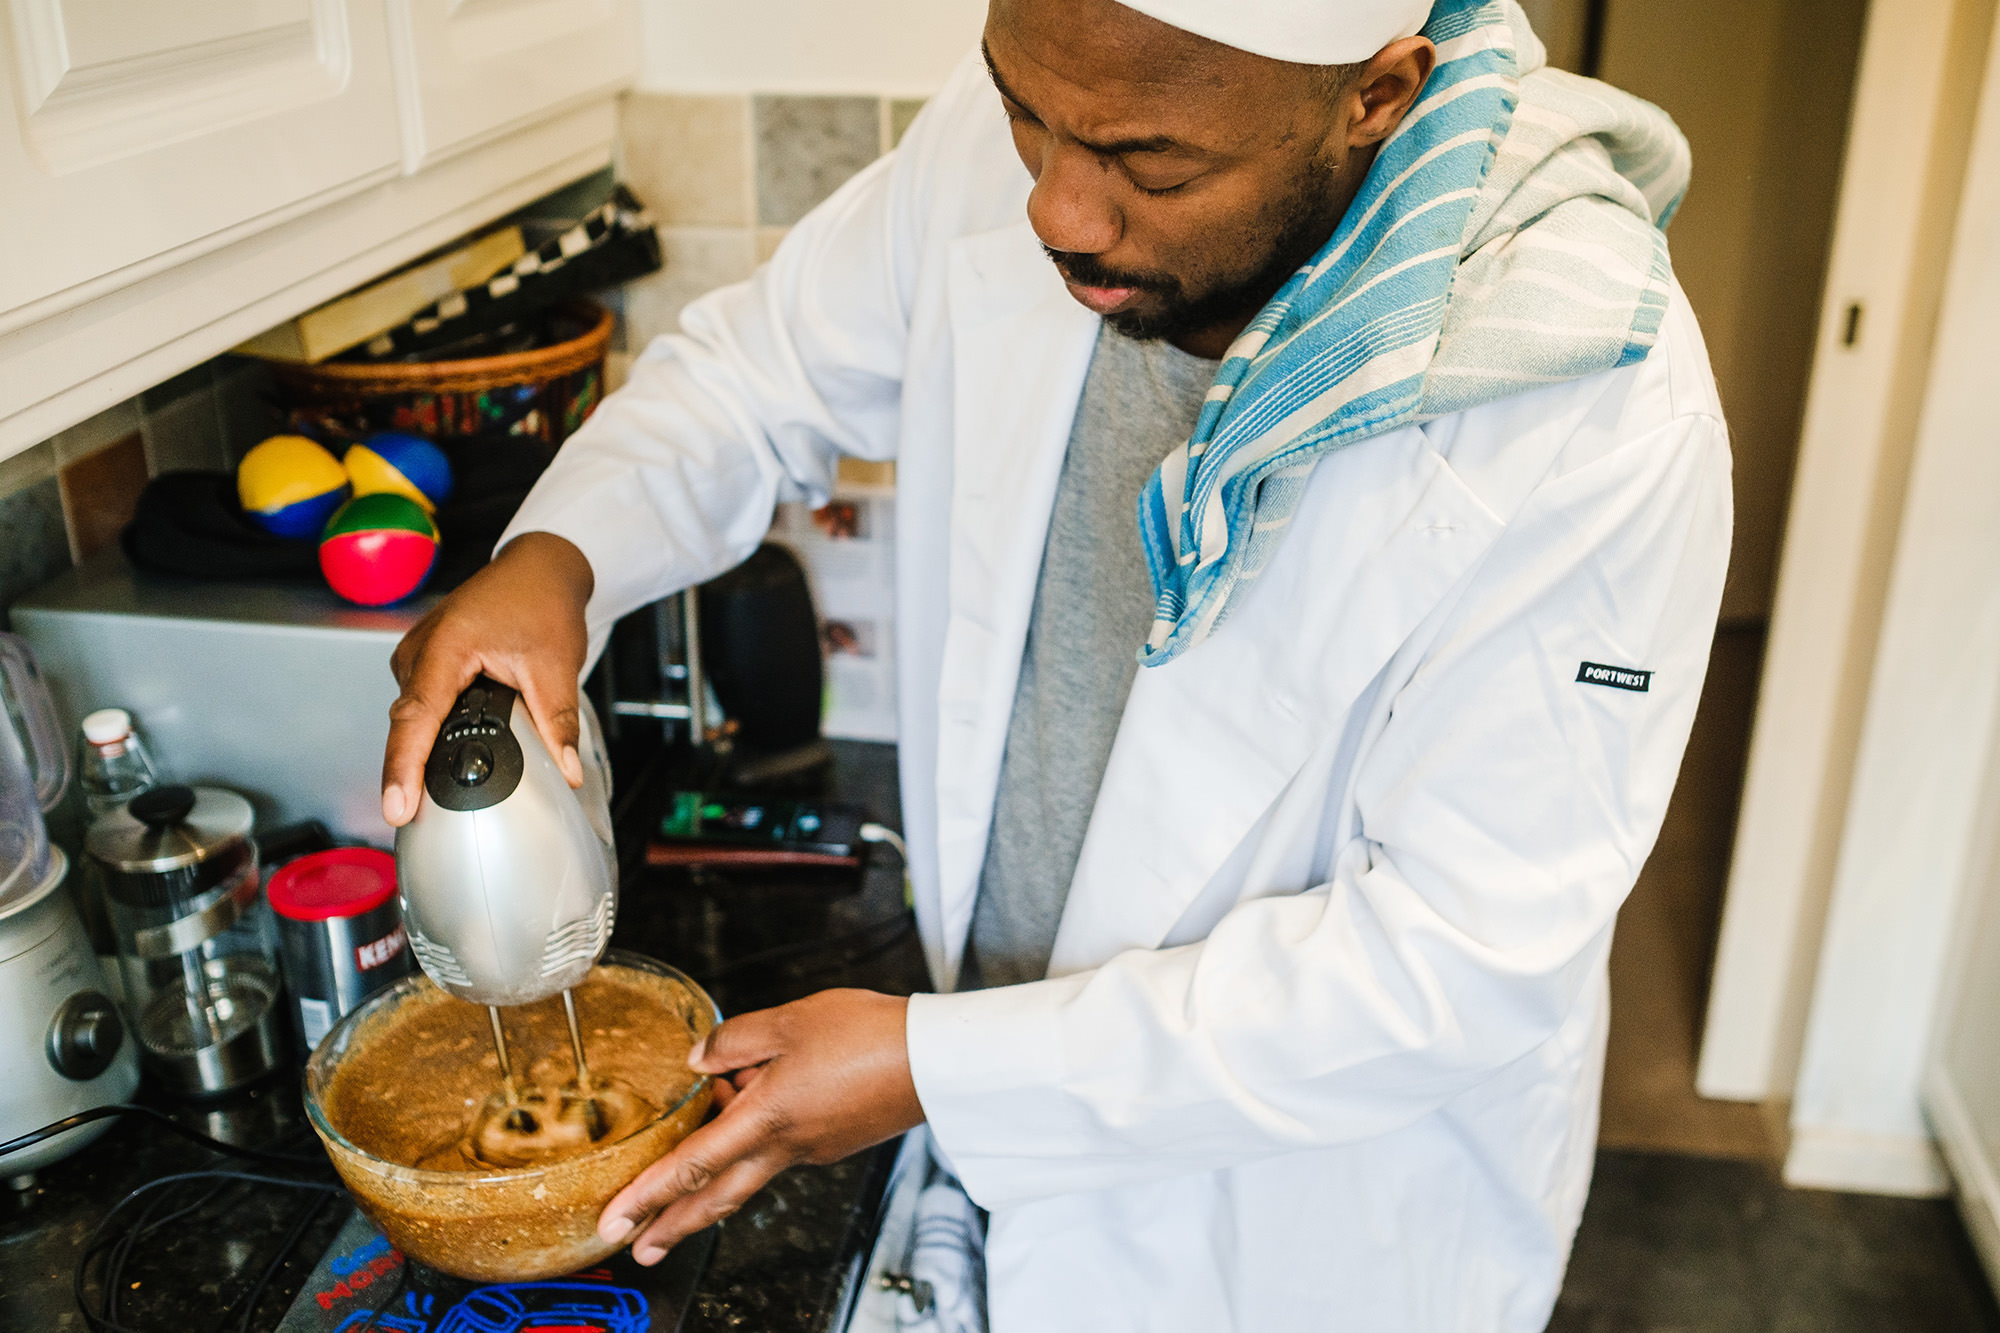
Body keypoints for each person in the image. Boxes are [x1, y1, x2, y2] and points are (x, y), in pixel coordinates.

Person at [379, 0, 1731, 1326]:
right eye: (1026, 110)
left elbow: (1451, 963)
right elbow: (756, 374)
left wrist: (937, 1069)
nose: (1060, 212)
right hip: (976, 1138)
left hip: (1293, 1234)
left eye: (1153, 165)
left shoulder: (1591, 401)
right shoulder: (1052, 123)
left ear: (1375, 92)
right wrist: (557, 557)